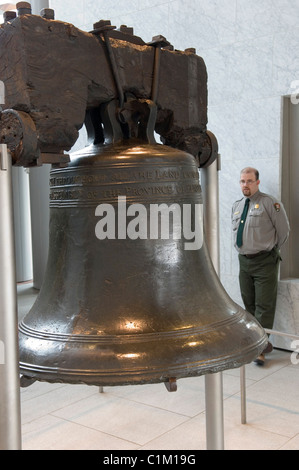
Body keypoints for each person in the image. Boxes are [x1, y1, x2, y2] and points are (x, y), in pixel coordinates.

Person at [232, 167, 290, 365]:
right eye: (242, 181)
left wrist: (270, 252)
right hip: (244, 261)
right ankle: (257, 343)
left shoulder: (269, 203)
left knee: (264, 306)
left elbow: (284, 232)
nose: (245, 185)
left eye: (249, 181)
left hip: (264, 261)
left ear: (257, 182)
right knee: (249, 304)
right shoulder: (238, 205)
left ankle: (260, 349)